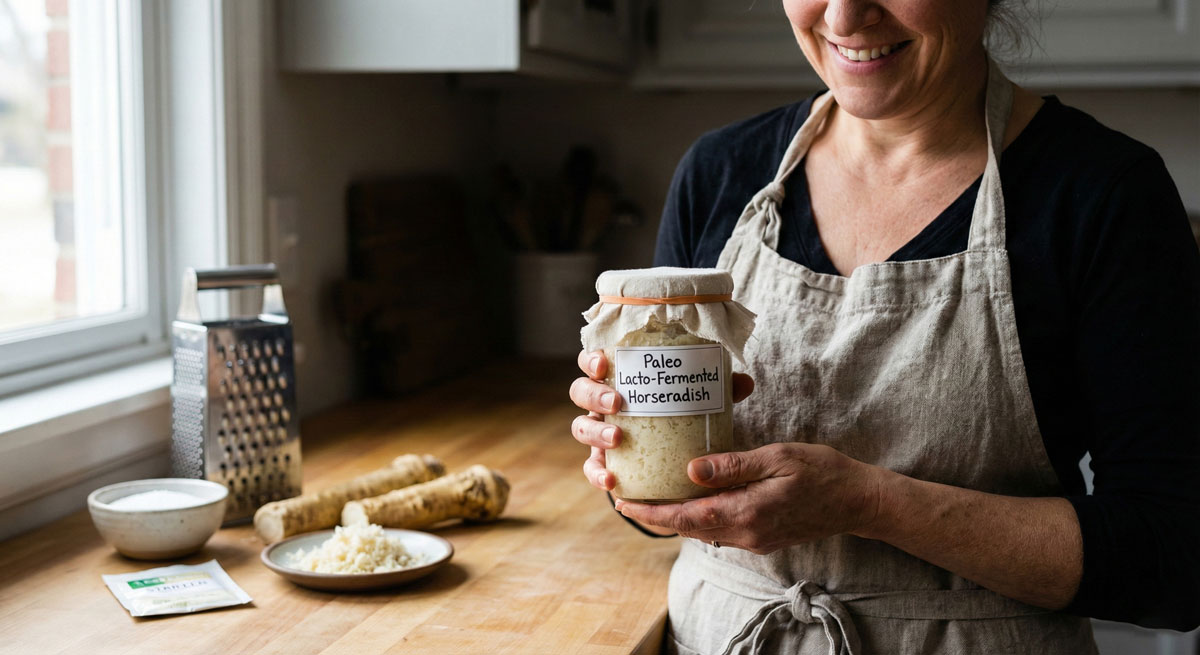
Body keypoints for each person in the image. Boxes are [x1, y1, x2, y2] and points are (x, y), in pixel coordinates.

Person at [568, 0, 1200, 653]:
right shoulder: (719, 172)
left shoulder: (1104, 193)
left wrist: (869, 503)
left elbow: (1171, 556)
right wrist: (629, 454)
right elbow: (670, 505)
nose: (843, 17)